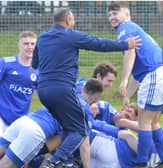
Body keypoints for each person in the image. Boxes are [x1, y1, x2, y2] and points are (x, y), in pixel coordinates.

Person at [31, 7, 141, 168]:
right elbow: (98, 43)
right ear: (68, 20)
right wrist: (126, 44)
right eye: (73, 20)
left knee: (67, 129)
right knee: (81, 129)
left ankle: (37, 156)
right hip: (62, 90)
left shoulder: (42, 38)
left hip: (43, 91)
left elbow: (35, 64)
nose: (74, 23)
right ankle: (55, 161)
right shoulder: (70, 35)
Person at [107, 2, 163, 168]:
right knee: (153, 122)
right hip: (159, 75)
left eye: (115, 13)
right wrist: (128, 94)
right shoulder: (135, 28)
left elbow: (130, 52)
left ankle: (142, 162)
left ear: (127, 14)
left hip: (154, 75)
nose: (112, 17)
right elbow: (138, 74)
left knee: (144, 122)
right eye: (110, 15)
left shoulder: (125, 28)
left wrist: (124, 80)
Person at [0, 31, 38, 136]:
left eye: (32, 44)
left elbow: (43, 96)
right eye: (26, 43)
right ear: (19, 45)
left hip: (20, 121)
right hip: (1, 116)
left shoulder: (38, 71)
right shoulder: (5, 63)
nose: (29, 47)